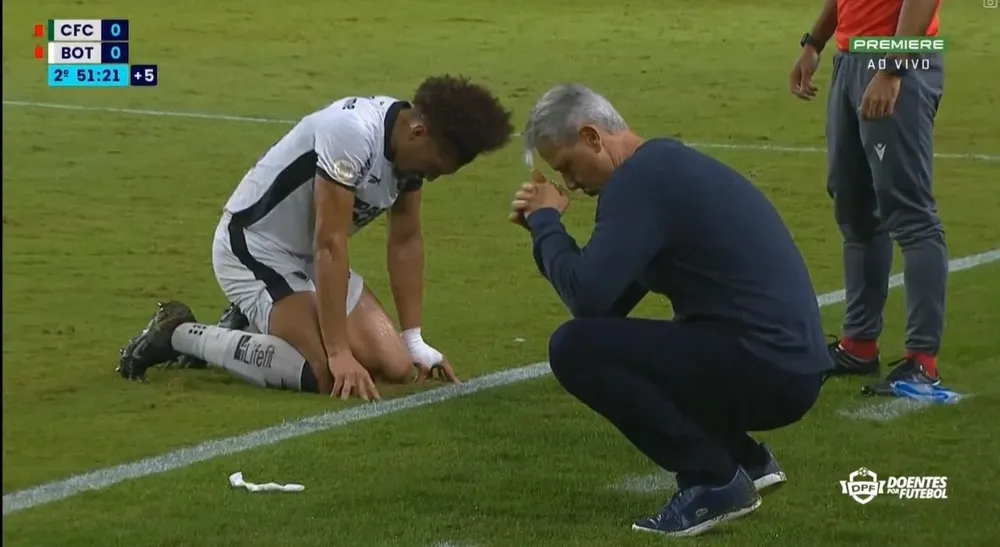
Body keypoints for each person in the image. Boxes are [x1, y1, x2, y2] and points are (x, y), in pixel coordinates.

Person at [510, 84, 831, 537]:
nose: (572, 184)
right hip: (788, 363)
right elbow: (605, 308)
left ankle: (712, 479)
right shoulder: (660, 170)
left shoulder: (640, 182)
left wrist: (545, 223)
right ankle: (744, 460)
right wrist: (545, 234)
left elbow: (587, 298)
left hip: (768, 364)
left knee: (572, 348)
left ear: (592, 137)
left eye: (567, 166)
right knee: (606, 345)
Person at [117, 75, 514, 400]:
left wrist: (414, 340)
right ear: (420, 132)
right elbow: (330, 242)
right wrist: (339, 352)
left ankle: (257, 320)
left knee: (395, 367)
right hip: (254, 248)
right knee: (327, 374)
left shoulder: (409, 147)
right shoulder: (352, 133)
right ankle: (181, 334)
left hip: (309, 258)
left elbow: (405, 240)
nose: (430, 177)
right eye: (435, 167)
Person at [790, 0, 946, 396]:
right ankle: (858, 345)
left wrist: (893, 68)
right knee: (854, 207)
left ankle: (922, 363)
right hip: (851, 58)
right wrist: (815, 43)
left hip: (895, 60)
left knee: (910, 212)